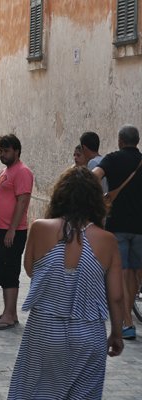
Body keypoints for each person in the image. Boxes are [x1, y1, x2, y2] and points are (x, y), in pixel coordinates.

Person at [7, 167, 124, 399]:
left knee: (37, 391)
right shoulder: (107, 241)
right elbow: (117, 296)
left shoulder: (40, 228)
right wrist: (117, 334)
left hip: (44, 329)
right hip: (89, 333)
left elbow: (31, 270)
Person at [92, 124, 142, 340]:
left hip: (118, 224)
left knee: (122, 271)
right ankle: (126, 322)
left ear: (120, 141)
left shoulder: (112, 159)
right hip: (140, 227)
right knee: (133, 273)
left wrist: (98, 198)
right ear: (137, 141)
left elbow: (94, 175)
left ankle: (127, 322)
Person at [0, 134, 34, 330]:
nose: (3, 154)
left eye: (6, 151)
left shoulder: (22, 172)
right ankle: (9, 311)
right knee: (0, 269)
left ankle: (9, 314)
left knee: (9, 270)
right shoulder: (5, 171)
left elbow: (22, 201)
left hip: (12, 231)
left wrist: (12, 229)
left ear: (16, 151)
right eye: (1, 151)